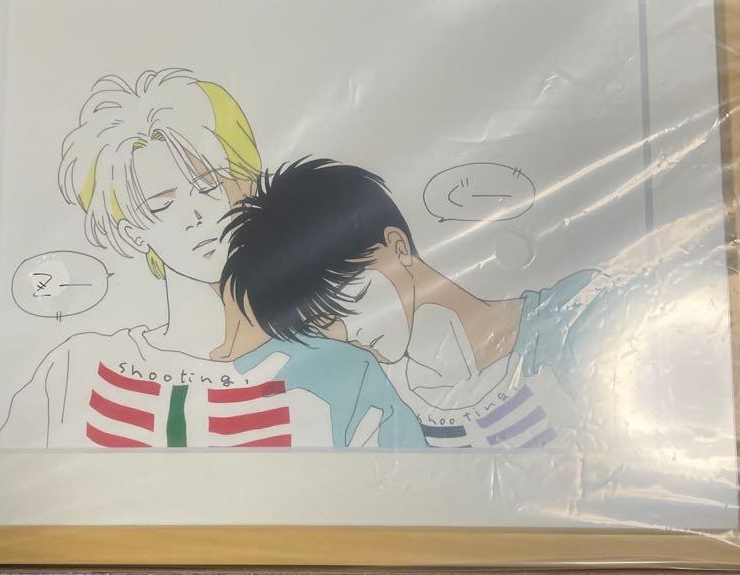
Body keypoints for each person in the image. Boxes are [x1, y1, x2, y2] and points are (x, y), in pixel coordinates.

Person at [0, 72, 424, 450]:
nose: (196, 215)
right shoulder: (76, 369)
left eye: (208, 185)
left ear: (249, 183)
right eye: (161, 204)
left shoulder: (345, 371)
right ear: (131, 234)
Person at [221, 158, 614, 450]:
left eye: (354, 296)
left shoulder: (576, 312)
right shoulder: (382, 398)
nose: (350, 331)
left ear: (398, 246)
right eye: (324, 322)